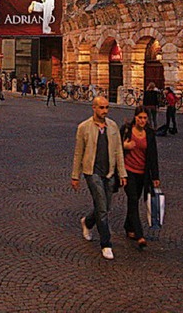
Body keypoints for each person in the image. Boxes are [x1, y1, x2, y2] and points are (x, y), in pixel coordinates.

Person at [71, 96, 127, 260]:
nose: (105, 111)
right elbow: (78, 153)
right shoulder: (84, 127)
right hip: (92, 172)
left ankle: (88, 222)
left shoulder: (113, 126)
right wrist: (76, 176)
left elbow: (118, 151)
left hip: (109, 172)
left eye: (106, 107)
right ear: (94, 108)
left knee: (105, 206)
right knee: (102, 208)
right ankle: (106, 244)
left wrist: (122, 173)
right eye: (101, 107)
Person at [120, 106, 160, 249]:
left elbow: (153, 155)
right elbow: (116, 147)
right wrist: (124, 146)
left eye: (145, 118)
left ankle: (128, 226)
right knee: (132, 199)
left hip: (142, 173)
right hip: (127, 171)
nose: (142, 120)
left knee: (135, 199)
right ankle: (139, 234)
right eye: (140, 117)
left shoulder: (149, 133)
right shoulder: (126, 129)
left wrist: (155, 176)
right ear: (135, 117)